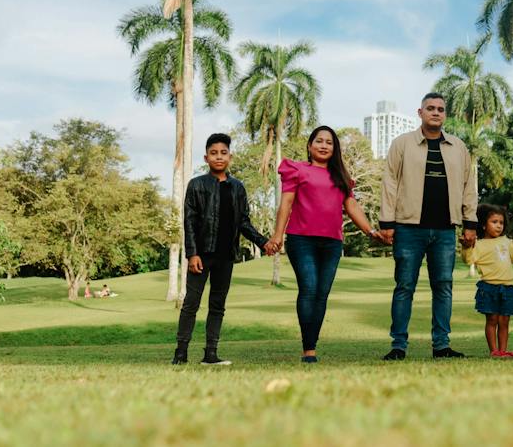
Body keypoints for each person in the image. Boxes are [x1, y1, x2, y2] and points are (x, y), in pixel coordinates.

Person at [268, 126, 381, 363]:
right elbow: (286, 204)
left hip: (331, 243)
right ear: (309, 146)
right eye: (318, 141)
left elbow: (351, 206)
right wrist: (278, 236)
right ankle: (308, 349)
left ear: (334, 148)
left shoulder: (341, 176)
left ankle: (312, 344)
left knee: (322, 294)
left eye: (329, 142)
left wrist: (370, 230)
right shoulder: (297, 169)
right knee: (309, 288)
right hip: (302, 239)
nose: (323, 146)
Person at [377, 92, 478, 360]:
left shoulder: (459, 147)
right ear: (419, 112)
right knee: (404, 286)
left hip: (445, 230)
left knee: (443, 286)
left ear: (445, 115)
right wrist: (386, 222)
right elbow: (389, 183)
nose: (436, 112)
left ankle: (441, 345)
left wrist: (470, 223)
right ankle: (398, 346)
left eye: (441, 109)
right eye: (430, 108)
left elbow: (470, 187)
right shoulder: (402, 144)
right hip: (408, 228)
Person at [172, 133, 274, 366]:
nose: (219, 157)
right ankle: (181, 352)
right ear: (206, 157)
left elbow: (244, 222)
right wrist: (192, 254)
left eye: (223, 153)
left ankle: (210, 353)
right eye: (214, 153)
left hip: (226, 256)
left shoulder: (238, 188)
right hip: (201, 255)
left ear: (230, 156)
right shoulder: (196, 185)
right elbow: (189, 221)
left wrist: (263, 242)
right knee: (191, 304)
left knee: (217, 306)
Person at [462, 204, 513, 358]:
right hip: (489, 288)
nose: (498, 226)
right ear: (483, 224)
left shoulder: (506, 241)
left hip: (507, 288)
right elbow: (469, 259)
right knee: (492, 320)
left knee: (504, 321)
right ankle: (494, 351)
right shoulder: (479, 244)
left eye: (501, 223)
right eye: (494, 222)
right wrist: (467, 247)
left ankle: (503, 351)